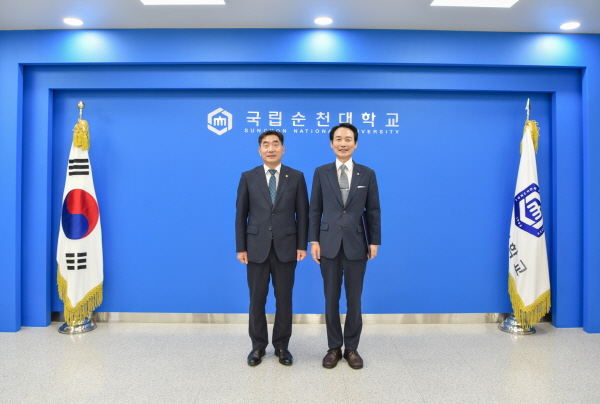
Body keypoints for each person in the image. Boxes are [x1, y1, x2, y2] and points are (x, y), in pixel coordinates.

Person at [309, 122, 381, 370]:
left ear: (355, 144)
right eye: (338, 139)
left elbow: (373, 210)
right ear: (331, 143)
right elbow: (315, 209)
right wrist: (314, 240)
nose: (343, 143)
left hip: (357, 244)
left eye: (348, 139)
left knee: (354, 300)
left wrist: (374, 240)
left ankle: (351, 348)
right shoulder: (321, 172)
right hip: (327, 244)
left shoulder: (367, 174)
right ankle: (333, 347)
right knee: (331, 299)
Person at [235, 130, 309, 366]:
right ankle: (258, 346)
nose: (271, 148)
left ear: (282, 149)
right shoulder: (248, 176)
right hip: (255, 248)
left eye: (275, 144)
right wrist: (241, 247)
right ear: (260, 150)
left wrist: (302, 245)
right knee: (256, 300)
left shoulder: (296, 176)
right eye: (266, 144)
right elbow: (241, 215)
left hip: (287, 247)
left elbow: (303, 214)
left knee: (284, 299)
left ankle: (282, 347)